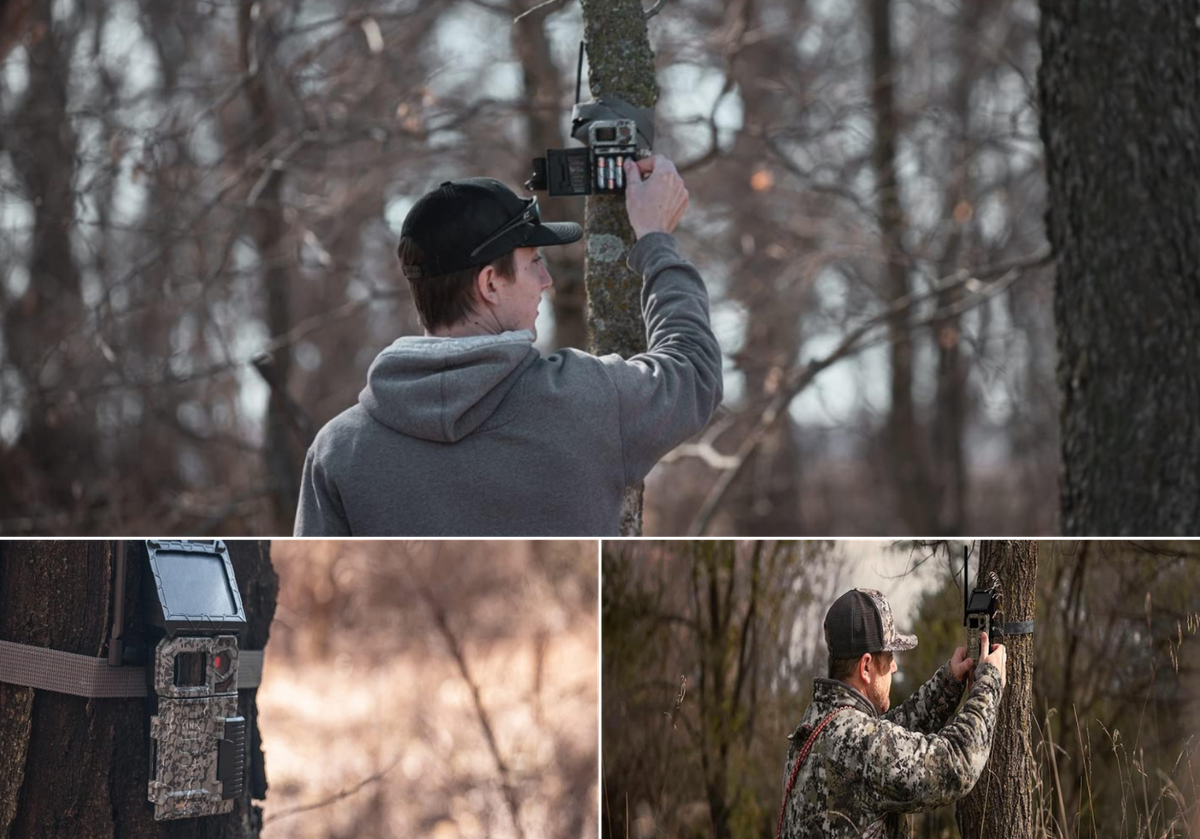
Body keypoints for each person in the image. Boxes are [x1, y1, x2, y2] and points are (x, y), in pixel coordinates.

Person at [293, 154, 723, 536]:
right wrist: (655, 239)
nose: (546, 280)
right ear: (490, 283)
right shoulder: (584, 400)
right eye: (534, 261)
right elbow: (694, 373)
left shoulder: (337, 452)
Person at [779, 587, 1008, 839]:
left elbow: (889, 739)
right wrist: (989, 682)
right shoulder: (859, 742)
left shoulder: (818, 723)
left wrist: (948, 684)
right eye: (889, 656)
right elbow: (958, 763)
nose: (895, 667)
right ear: (866, 666)